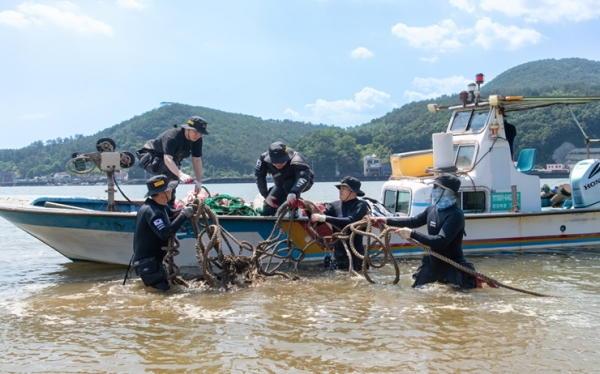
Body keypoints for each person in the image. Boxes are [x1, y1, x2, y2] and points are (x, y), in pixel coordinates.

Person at [376, 174, 477, 289]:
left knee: (457, 300)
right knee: (415, 291)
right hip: (433, 263)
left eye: (437, 187)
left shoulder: (455, 214)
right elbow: (414, 221)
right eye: (433, 186)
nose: (433, 190)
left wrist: (412, 234)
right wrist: (386, 221)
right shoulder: (432, 209)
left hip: (452, 265)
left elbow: (441, 241)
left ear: (448, 191)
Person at [133, 175, 194, 291]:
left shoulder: (159, 206)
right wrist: (184, 215)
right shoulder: (152, 212)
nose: (172, 191)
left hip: (154, 262)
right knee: (164, 292)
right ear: (162, 193)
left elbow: (172, 213)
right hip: (148, 265)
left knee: (166, 291)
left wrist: (188, 208)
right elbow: (165, 233)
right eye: (170, 189)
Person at [137, 116, 209, 206]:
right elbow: (167, 159)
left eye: (201, 133)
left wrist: (199, 182)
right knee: (172, 175)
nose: (198, 135)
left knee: (173, 178)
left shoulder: (197, 140)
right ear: (188, 128)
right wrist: (181, 174)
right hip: (151, 158)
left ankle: (168, 204)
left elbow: (197, 160)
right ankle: (166, 205)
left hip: (169, 161)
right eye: (196, 131)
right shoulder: (172, 136)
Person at [311, 176, 369, 271]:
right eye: (340, 188)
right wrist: (308, 210)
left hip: (355, 255)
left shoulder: (360, 205)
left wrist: (325, 218)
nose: (340, 191)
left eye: (344, 188)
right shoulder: (334, 205)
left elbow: (351, 220)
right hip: (338, 255)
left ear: (353, 191)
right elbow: (316, 223)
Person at [254, 141, 314, 216]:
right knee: (268, 208)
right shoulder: (263, 159)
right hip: (280, 183)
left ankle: (293, 210)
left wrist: (294, 192)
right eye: (275, 162)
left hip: (303, 181)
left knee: (288, 184)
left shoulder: (297, 159)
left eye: (281, 161)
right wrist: (266, 196)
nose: (278, 164)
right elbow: (259, 176)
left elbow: (303, 177)